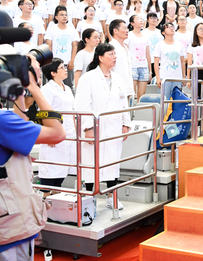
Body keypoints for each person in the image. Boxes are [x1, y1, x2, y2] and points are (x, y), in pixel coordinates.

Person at [0, 54, 65, 261]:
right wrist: (35, 88)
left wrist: (19, 96)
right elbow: (57, 133)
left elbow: (15, 127)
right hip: (6, 231)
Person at [74, 43, 134, 210]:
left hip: (114, 128)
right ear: (100, 57)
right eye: (111, 54)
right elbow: (81, 105)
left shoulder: (118, 78)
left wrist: (125, 123)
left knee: (112, 163)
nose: (115, 57)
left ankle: (111, 196)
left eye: (115, 54)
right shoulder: (88, 78)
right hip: (95, 128)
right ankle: (88, 200)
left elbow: (124, 103)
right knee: (91, 164)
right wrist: (87, 128)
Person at [39, 58, 76, 190]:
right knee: (50, 170)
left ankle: (55, 198)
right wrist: (48, 134)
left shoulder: (68, 89)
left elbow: (72, 112)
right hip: (53, 134)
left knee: (62, 171)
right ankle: (45, 198)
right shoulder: (47, 89)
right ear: (53, 73)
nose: (66, 69)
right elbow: (43, 112)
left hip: (68, 134)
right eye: (62, 67)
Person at [45, 5, 79, 89]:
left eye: (66, 15)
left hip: (67, 62)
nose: (64, 17)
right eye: (61, 15)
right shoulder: (51, 29)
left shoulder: (72, 30)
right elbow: (49, 45)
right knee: (53, 84)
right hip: (54, 61)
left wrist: (72, 60)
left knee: (68, 85)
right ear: (56, 17)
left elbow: (75, 46)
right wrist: (50, 60)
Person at [153, 23, 186, 100]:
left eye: (172, 27)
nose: (171, 28)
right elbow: (156, 63)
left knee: (176, 101)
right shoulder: (159, 45)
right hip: (164, 77)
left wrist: (184, 76)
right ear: (163, 32)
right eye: (168, 27)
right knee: (164, 100)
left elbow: (182, 62)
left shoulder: (179, 44)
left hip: (177, 77)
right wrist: (158, 78)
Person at [109, 19, 135, 102]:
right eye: (124, 28)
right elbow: (108, 69)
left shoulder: (125, 47)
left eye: (127, 28)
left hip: (127, 88)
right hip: (116, 89)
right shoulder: (110, 47)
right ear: (115, 31)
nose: (127, 31)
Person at [128, 15, 152, 102]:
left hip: (144, 66)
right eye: (138, 19)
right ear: (132, 23)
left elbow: (148, 54)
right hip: (132, 66)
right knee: (132, 93)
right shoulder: (129, 35)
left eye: (141, 19)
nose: (141, 21)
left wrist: (150, 70)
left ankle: (138, 113)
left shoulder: (145, 36)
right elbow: (126, 52)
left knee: (141, 95)